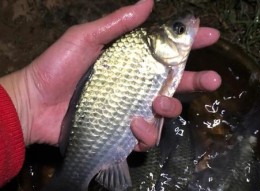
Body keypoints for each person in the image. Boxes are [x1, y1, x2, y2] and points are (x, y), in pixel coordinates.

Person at [0, 0, 221, 188]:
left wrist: (25, 102)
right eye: (179, 30)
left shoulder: (157, 58)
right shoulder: (147, 51)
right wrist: (27, 98)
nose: (188, 28)